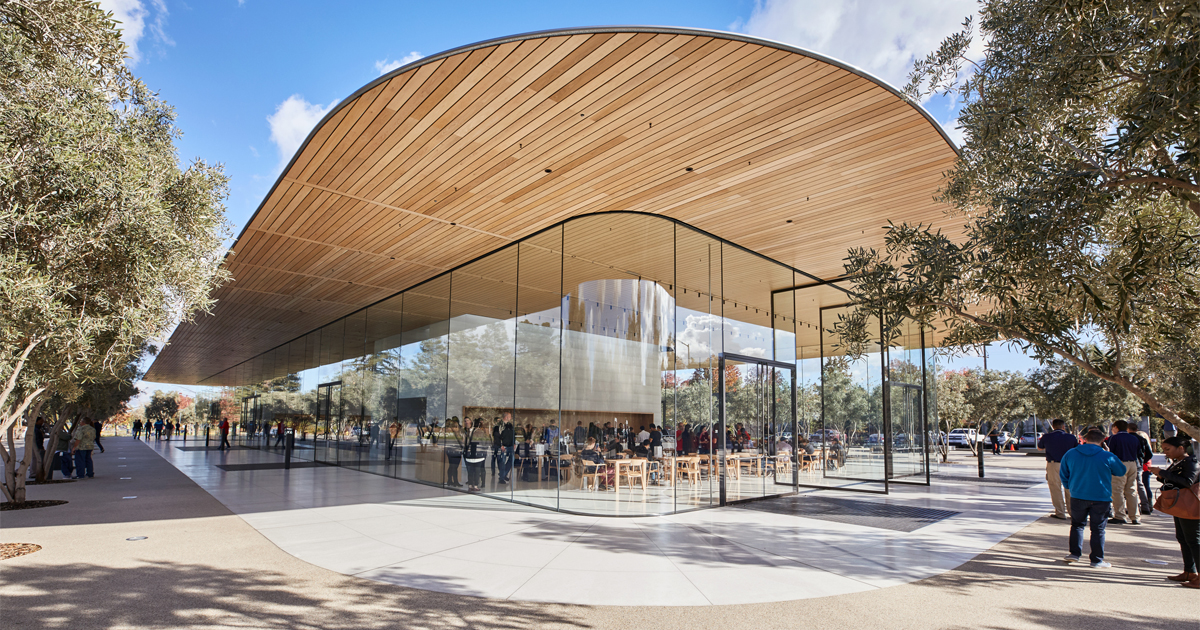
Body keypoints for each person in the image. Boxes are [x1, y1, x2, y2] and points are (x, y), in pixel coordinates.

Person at [1059, 428, 1128, 567]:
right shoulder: (1107, 456)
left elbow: (1063, 473)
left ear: (1085, 439)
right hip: (1101, 496)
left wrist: (1069, 486)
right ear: (1102, 441)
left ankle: (1074, 553)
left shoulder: (1071, 453)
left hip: (1078, 494)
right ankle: (1096, 559)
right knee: (1098, 529)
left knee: (1077, 525)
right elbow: (1121, 471)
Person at [1150, 435, 1199, 588]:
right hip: (1180, 504)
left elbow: (1187, 481)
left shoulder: (1191, 462)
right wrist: (1160, 475)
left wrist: (1162, 473)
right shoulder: (1180, 461)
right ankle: (1189, 571)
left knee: (1193, 540)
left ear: (1181, 448)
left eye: (1168, 449)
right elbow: (1175, 479)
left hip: (1190, 505)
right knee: (1183, 538)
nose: (1165, 453)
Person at [1105, 420, 1143, 525]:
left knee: (1117, 490)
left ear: (1116, 427)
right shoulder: (1134, 438)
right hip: (1133, 463)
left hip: (1120, 463)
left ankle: (1120, 515)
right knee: (1131, 490)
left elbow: (1111, 452)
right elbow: (1139, 452)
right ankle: (1135, 516)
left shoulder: (1114, 438)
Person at [1039, 419, 1077, 519]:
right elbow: (1076, 449)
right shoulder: (1071, 437)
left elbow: (1040, 448)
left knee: (1055, 488)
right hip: (1069, 464)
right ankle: (1073, 512)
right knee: (1069, 488)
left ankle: (1060, 512)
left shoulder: (1047, 437)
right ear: (1063, 426)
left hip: (1053, 464)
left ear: (1053, 426)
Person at [1127, 421, 1154, 516]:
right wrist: (1142, 460)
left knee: (1127, 485)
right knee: (1140, 484)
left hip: (1128, 461)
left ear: (1128, 429)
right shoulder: (1142, 439)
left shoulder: (1128, 438)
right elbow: (1150, 453)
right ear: (1136, 429)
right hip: (1138, 463)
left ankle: (1130, 506)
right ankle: (1145, 506)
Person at [498, 418, 515, 484]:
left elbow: (513, 436)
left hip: (510, 446)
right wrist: (501, 445)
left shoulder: (511, 427)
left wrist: (513, 443)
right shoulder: (501, 427)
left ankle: (503, 474)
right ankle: (502, 477)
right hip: (504, 446)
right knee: (502, 461)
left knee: (511, 460)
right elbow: (499, 437)